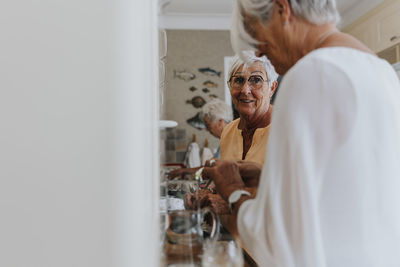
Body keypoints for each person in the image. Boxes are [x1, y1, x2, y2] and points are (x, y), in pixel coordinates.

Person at [203, 0, 400, 266]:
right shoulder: (382, 72)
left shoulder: (312, 73)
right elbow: (344, 188)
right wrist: (270, 180)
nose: (259, 51)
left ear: (282, 9)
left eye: (254, 31)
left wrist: (233, 191)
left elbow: (280, 243)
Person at [220, 52, 278, 167]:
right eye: (239, 80)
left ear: (272, 88)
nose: (245, 90)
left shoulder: (287, 129)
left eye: (256, 80)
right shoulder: (228, 132)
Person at [167, 99, 232, 179]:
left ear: (220, 122)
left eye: (208, 125)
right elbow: (210, 167)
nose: (207, 129)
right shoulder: (224, 142)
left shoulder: (232, 141)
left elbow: (221, 171)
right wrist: (183, 171)